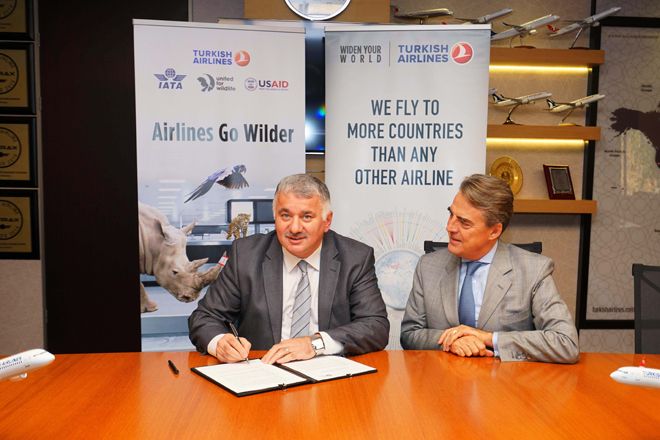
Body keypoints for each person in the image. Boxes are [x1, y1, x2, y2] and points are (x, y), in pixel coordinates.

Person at [189, 173, 389, 364]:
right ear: (275, 216)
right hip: (264, 371)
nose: (294, 228)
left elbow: (376, 326)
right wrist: (220, 342)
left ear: (327, 221)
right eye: (285, 216)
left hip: (329, 374)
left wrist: (314, 344)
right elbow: (205, 317)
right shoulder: (246, 255)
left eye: (306, 217)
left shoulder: (355, 258)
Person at [400, 174, 579, 363]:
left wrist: (489, 338)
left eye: (464, 222)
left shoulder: (533, 270)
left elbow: (566, 343)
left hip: (506, 378)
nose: (450, 227)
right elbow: (409, 334)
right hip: (443, 377)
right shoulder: (428, 266)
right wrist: (452, 340)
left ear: (494, 231)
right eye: (451, 214)